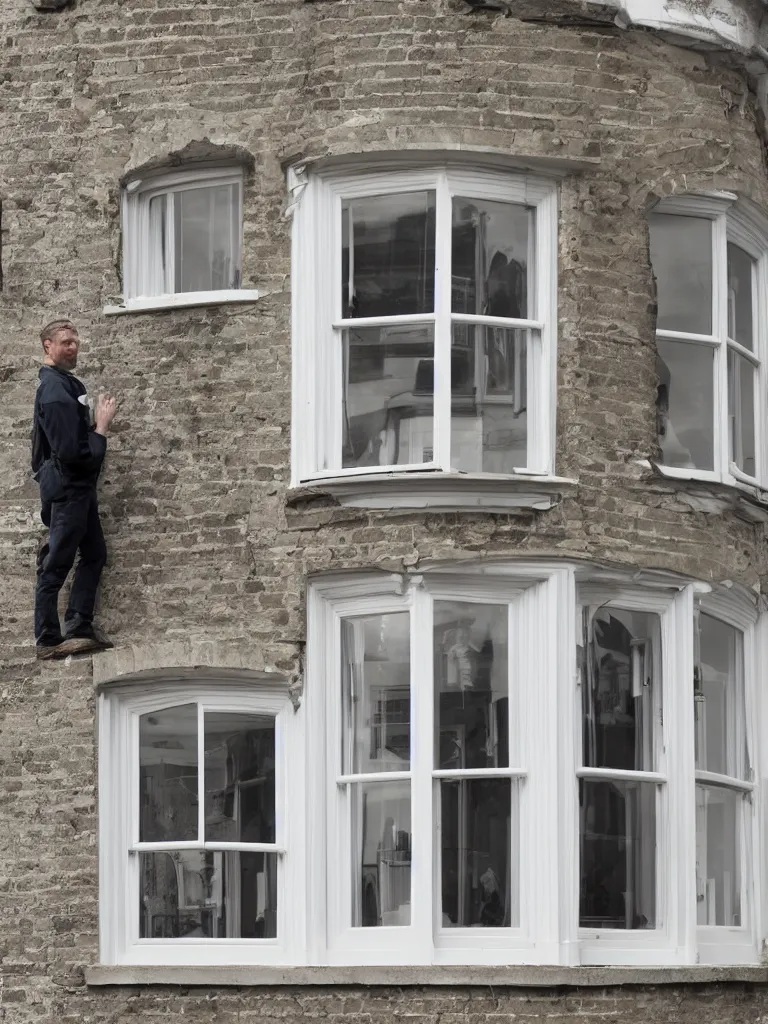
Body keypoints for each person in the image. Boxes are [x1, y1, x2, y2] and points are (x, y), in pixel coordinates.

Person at [31, 319, 118, 659]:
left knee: (95, 553)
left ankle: (79, 625)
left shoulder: (65, 384)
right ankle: (48, 639)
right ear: (47, 347)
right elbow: (71, 453)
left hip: (77, 491)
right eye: (65, 341)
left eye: (75, 341)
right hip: (69, 490)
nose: (73, 346)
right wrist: (101, 430)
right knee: (56, 565)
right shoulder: (54, 391)